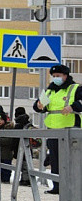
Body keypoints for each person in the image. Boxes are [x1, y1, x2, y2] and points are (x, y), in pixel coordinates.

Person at [33, 64, 82, 194]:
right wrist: (39, 106)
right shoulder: (50, 90)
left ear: (65, 76)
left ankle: (73, 187)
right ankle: (57, 187)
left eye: (58, 76)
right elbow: (38, 106)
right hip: (53, 130)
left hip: (70, 128)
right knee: (55, 160)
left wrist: (73, 107)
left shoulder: (75, 88)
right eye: (54, 76)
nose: (56, 78)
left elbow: (81, 102)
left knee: (70, 160)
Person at [13, 107, 35, 186]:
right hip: (29, 147)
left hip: (19, 147)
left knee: (22, 164)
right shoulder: (28, 123)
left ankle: (25, 180)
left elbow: (15, 139)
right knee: (27, 164)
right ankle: (27, 179)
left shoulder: (18, 124)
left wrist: (14, 150)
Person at [0, 112, 17, 184]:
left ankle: (6, 180)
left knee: (6, 168)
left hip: (6, 154)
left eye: (1, 120)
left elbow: (9, 140)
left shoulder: (8, 129)